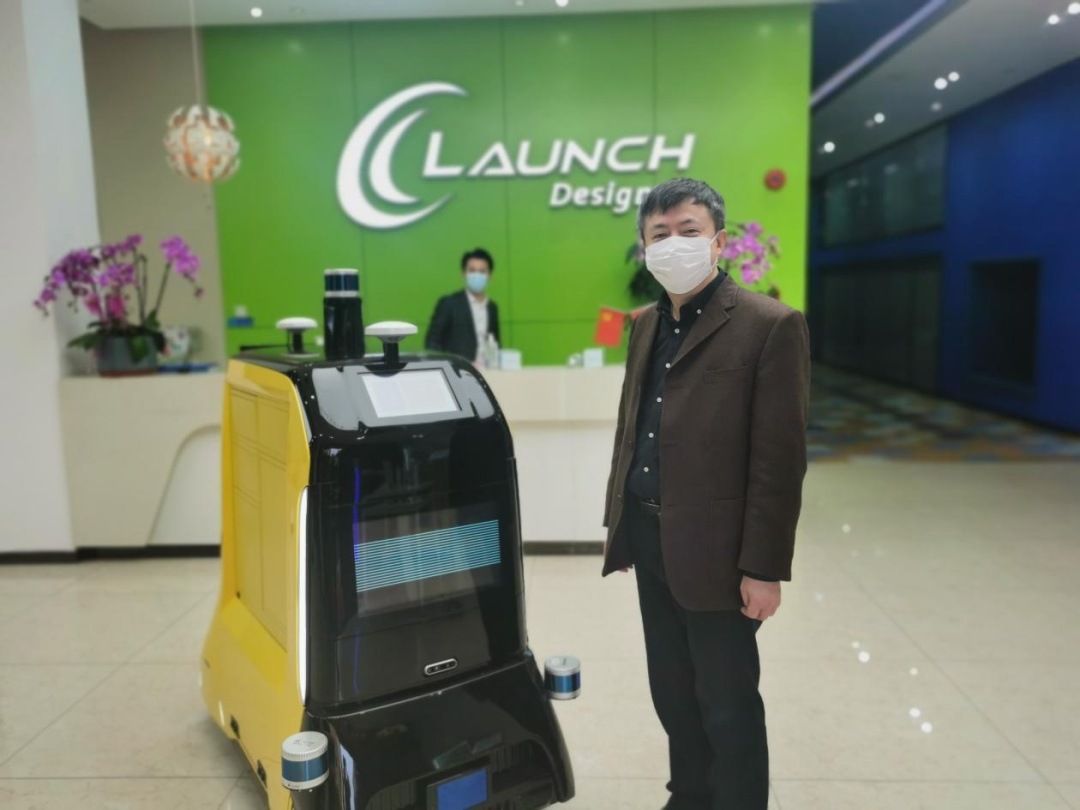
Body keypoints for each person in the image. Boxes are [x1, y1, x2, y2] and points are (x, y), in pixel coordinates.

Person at [601, 178, 810, 810]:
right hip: (651, 537)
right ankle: (690, 794)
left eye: (687, 231)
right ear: (645, 248)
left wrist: (764, 568)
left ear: (718, 241)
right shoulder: (644, 326)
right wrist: (622, 524)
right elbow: (633, 428)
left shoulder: (769, 325)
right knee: (672, 689)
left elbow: (779, 462)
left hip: (720, 551)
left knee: (727, 701)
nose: (673, 243)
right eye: (659, 234)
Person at [424, 248, 501, 363]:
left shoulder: (492, 307)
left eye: (481, 271)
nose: (477, 275)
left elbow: (495, 343)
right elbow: (432, 343)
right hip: (457, 370)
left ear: (489, 275)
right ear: (464, 273)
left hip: (487, 370)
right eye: (472, 270)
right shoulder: (449, 303)